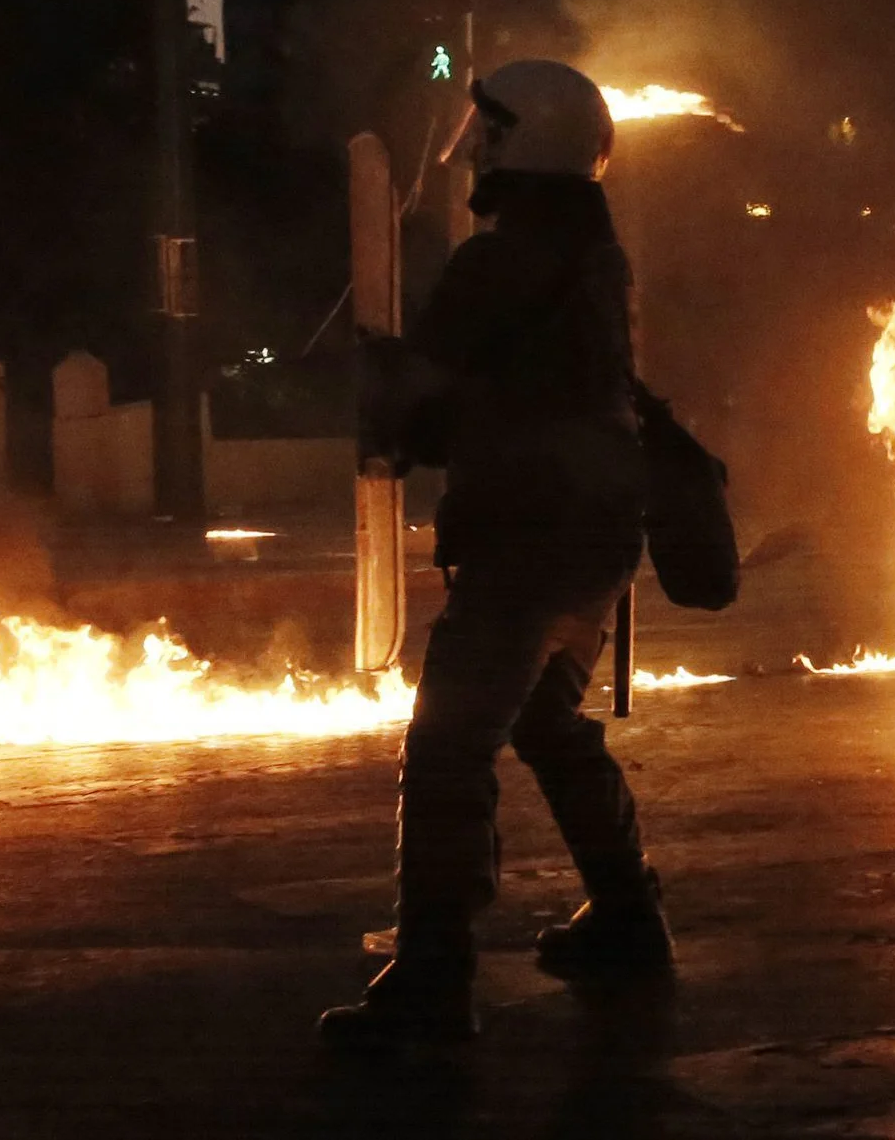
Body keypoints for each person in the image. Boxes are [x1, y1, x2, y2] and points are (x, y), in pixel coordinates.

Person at [321, 59, 661, 1052]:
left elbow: (427, 397)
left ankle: (432, 976)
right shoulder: (598, 258)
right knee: (549, 721)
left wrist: (382, 380)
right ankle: (629, 913)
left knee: (446, 747)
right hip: (596, 531)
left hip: (526, 534)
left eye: (491, 129)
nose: (474, 144)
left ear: (529, 143)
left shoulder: (500, 262)